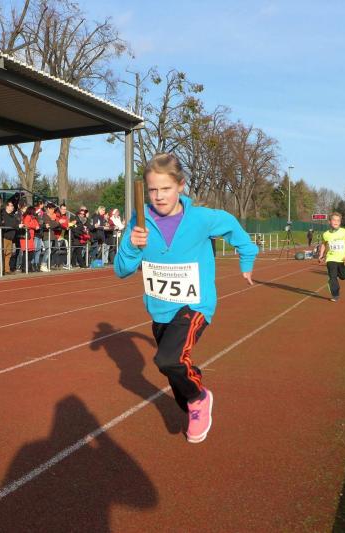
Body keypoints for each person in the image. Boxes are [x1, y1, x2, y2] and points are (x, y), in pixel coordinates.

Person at [115, 153, 257, 444]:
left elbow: (232, 227)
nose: (159, 196)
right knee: (172, 369)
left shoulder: (201, 219)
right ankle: (192, 403)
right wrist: (131, 245)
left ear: (180, 186)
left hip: (195, 304)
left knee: (169, 359)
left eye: (166, 189)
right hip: (160, 308)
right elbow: (122, 270)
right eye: (153, 190)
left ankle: (199, 397)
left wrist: (247, 257)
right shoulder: (140, 221)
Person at [317, 213, 345, 301]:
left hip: (342, 259)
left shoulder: (344, 231)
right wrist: (321, 255)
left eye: (338, 220)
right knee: (332, 277)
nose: (336, 222)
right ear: (329, 221)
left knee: (343, 276)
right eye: (334, 220)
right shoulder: (326, 234)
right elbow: (324, 244)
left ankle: (344, 274)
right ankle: (335, 295)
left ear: (340, 222)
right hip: (331, 258)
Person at [1, 201, 22, 275]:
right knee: (3, 254)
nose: (13, 207)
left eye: (13, 206)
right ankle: (1, 269)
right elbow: (8, 224)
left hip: (11, 238)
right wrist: (17, 226)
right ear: (7, 206)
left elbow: (16, 223)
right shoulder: (3, 214)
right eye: (11, 205)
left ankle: (7, 269)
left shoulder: (13, 216)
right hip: (4, 237)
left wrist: (19, 224)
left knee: (8, 254)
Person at [19, 206, 40, 272]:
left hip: (30, 237)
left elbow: (37, 225)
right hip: (26, 237)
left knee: (30, 252)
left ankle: (28, 266)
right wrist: (34, 226)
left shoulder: (32, 217)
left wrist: (34, 225)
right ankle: (24, 267)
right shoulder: (27, 216)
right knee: (27, 252)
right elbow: (27, 224)